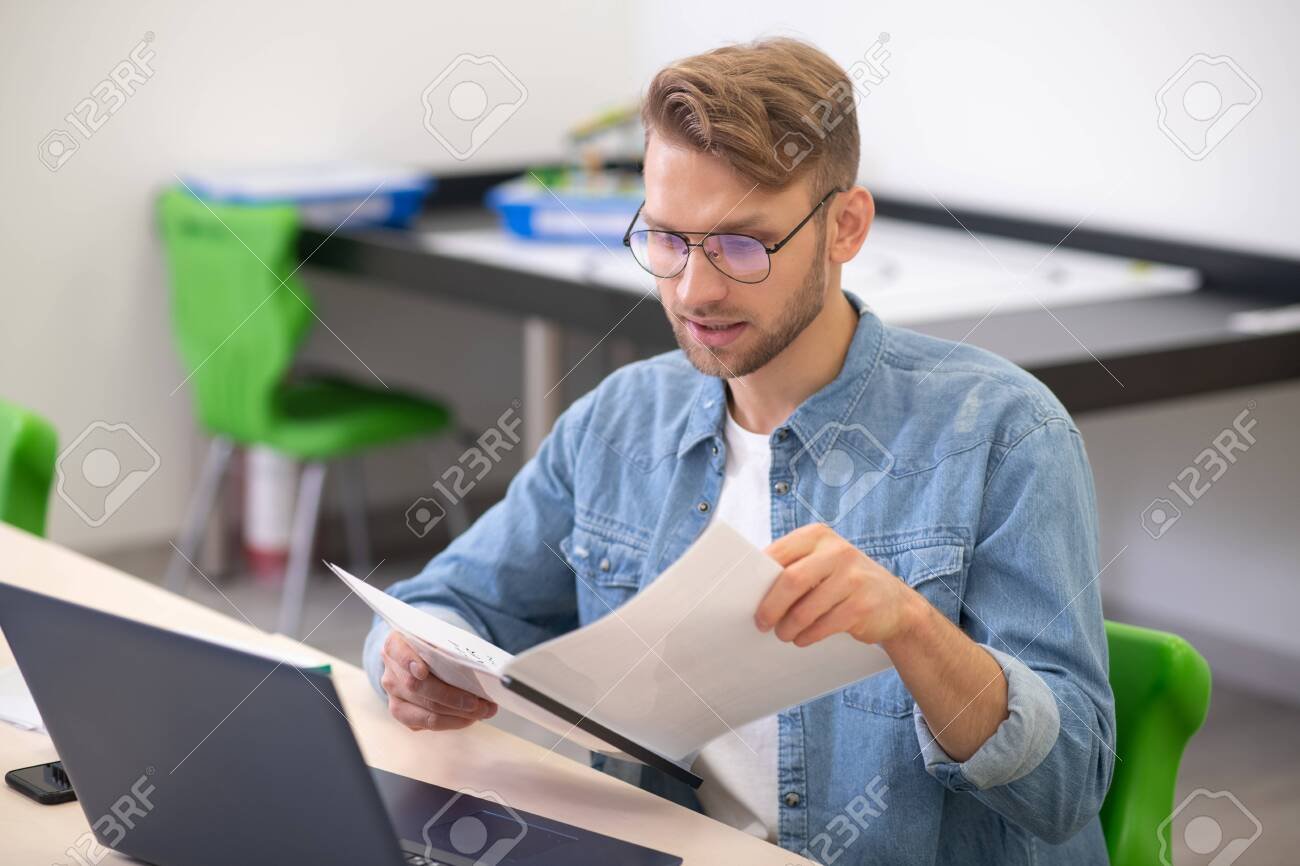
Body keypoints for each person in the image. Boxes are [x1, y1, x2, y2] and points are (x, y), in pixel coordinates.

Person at [364, 36, 1114, 865]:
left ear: (845, 227)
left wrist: (910, 627)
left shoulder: (1004, 433)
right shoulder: (618, 421)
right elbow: (442, 602)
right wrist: (411, 664)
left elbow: (1068, 786)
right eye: (667, 239)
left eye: (743, 245)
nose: (695, 289)